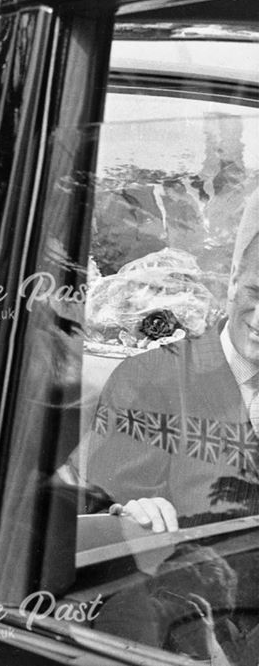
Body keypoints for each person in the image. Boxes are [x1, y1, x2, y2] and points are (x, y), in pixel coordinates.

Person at [71, 189, 259, 532]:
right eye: (255, 292)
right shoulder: (148, 379)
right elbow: (94, 515)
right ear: (233, 280)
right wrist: (130, 512)